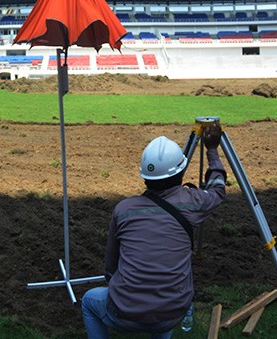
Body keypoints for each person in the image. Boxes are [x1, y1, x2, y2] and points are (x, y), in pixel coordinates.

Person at [81, 122, 227, 339]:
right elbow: (217, 188)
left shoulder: (123, 210)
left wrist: (127, 292)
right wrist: (212, 150)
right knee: (165, 306)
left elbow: (111, 266)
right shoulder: (193, 202)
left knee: (89, 301)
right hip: (173, 312)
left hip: (123, 313)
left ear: (145, 178)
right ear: (180, 172)